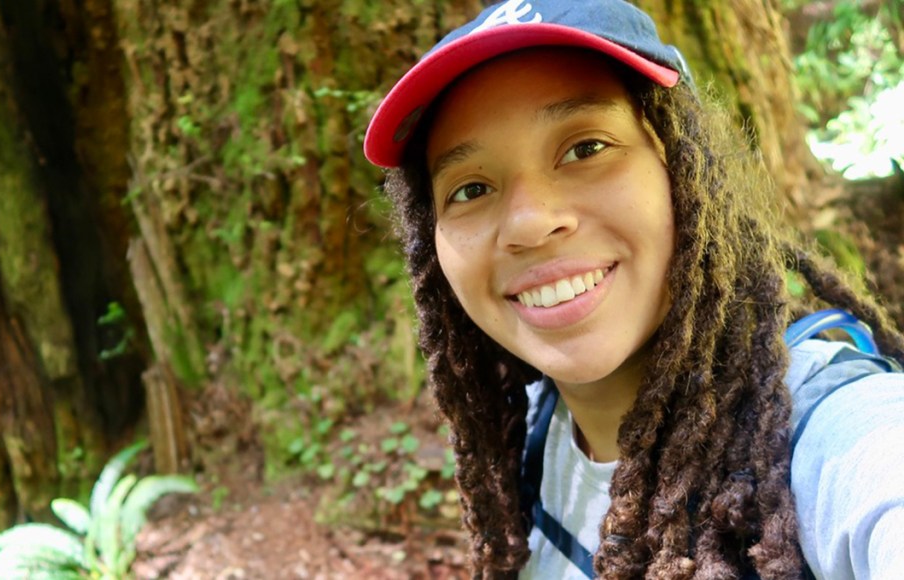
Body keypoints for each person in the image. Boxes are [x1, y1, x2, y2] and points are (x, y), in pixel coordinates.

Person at [362, 1, 904, 578]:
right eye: (470, 189)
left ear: (685, 171)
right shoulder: (532, 432)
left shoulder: (831, 433)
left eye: (586, 149)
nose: (529, 223)